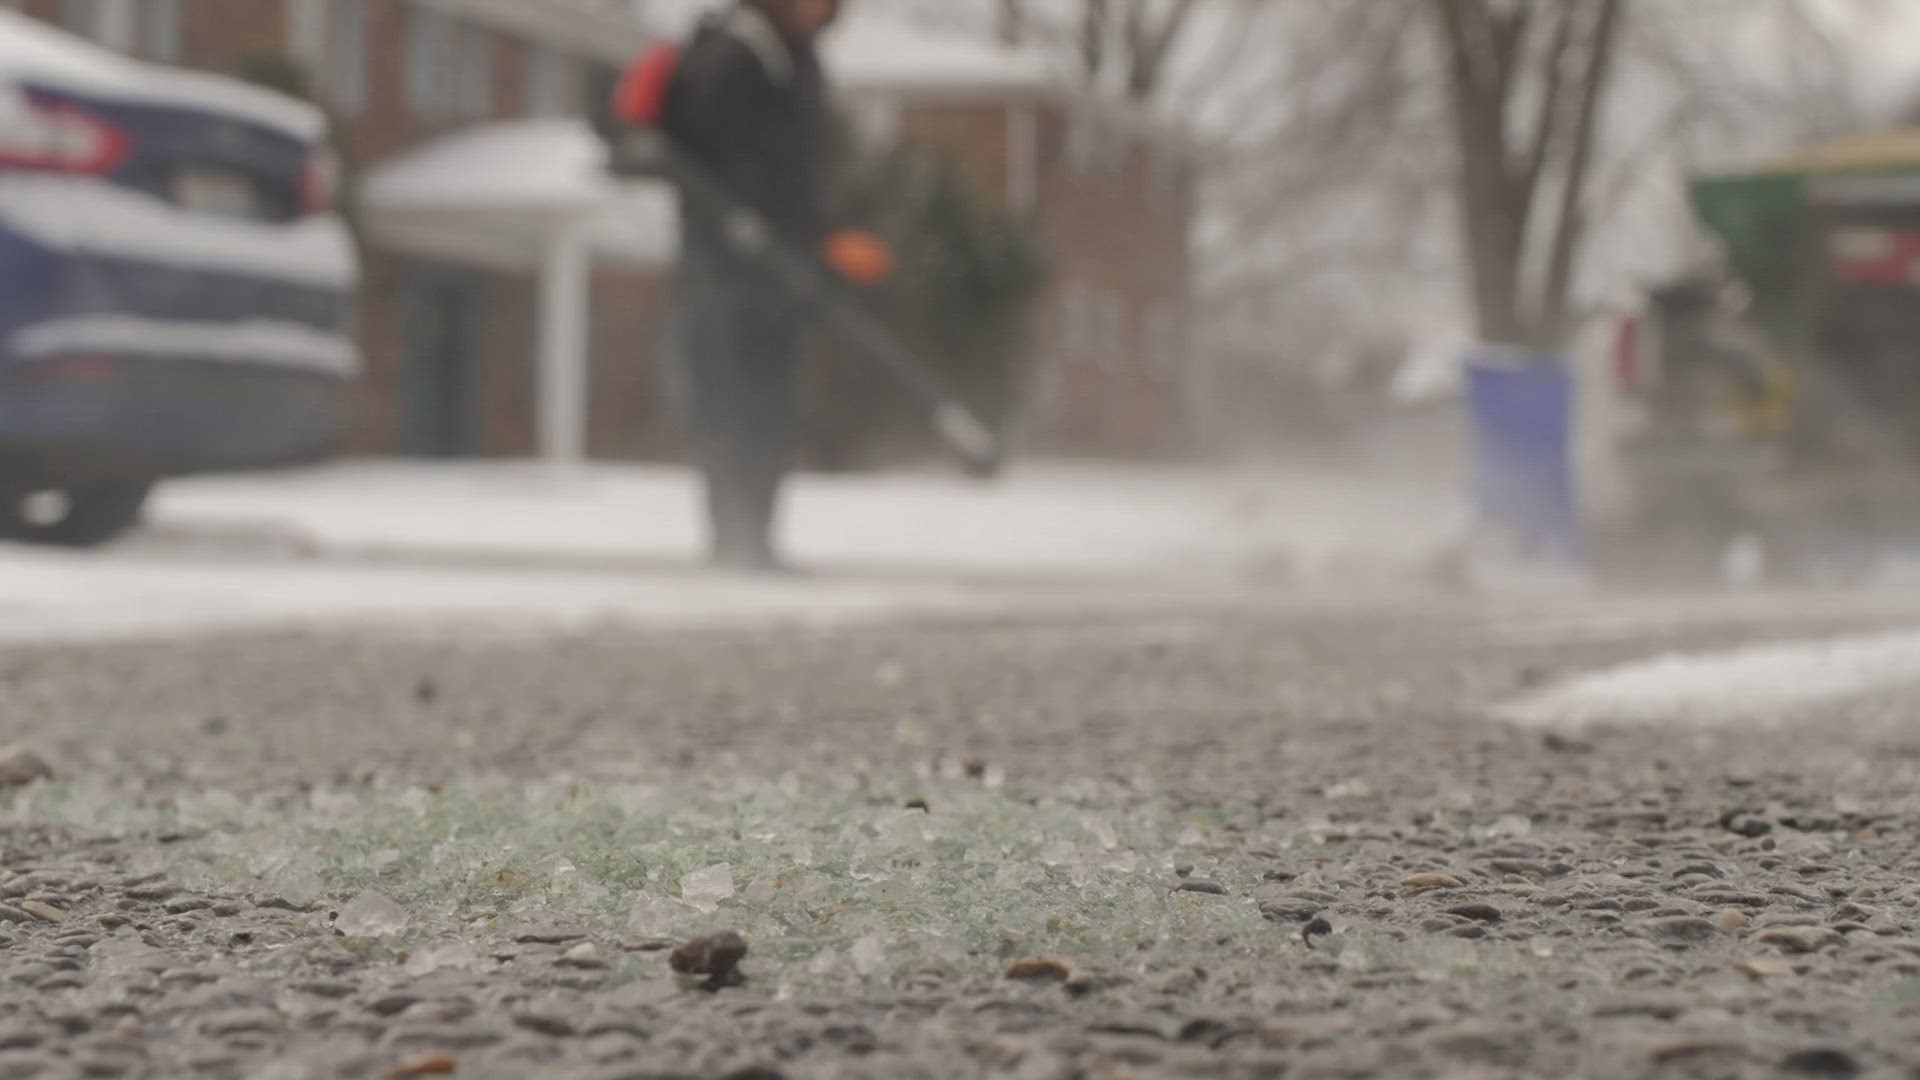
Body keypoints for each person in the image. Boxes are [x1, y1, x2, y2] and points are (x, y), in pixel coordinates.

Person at [660, 0, 855, 572]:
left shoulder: (798, 61)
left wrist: (818, 237)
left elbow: (807, 165)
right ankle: (733, 538)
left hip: (782, 266)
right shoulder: (731, 55)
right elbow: (702, 157)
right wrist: (743, 225)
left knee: (772, 404)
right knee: (728, 401)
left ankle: (758, 538)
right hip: (723, 266)